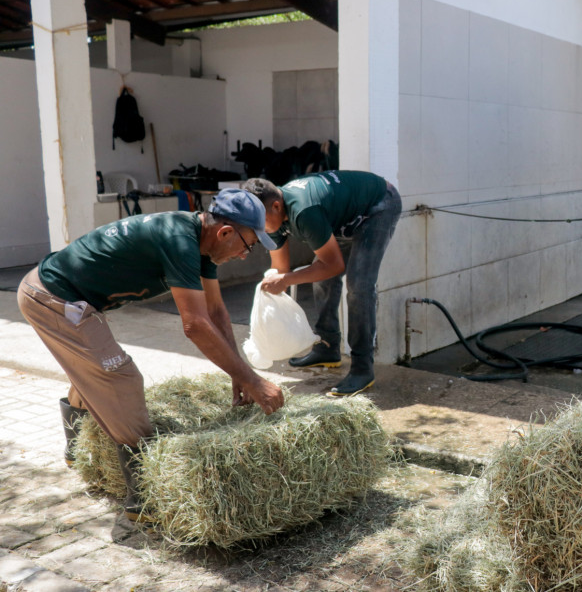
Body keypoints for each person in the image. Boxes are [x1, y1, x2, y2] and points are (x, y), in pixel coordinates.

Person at [17, 188, 285, 522]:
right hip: (52, 296)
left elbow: (216, 313)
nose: (245, 255)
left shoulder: (202, 244)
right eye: (248, 245)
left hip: (69, 298)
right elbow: (196, 326)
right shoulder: (179, 239)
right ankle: (144, 494)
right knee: (120, 377)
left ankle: (78, 450)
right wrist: (254, 381)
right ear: (226, 232)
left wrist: (240, 373)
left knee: (94, 365)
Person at [243, 171, 401, 397]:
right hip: (346, 216)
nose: (260, 230)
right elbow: (281, 270)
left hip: (378, 205)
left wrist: (285, 280)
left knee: (359, 287)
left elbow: (333, 266)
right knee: (321, 278)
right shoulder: (272, 217)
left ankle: (362, 368)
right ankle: (327, 347)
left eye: (261, 223)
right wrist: (268, 303)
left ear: (277, 206)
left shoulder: (304, 211)